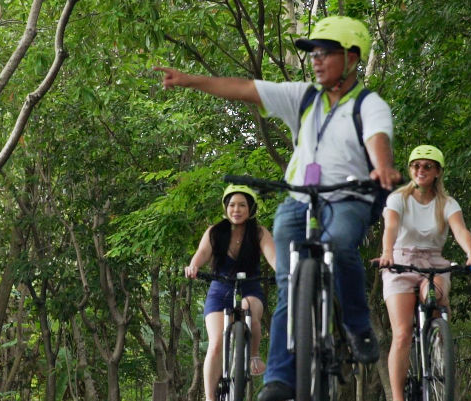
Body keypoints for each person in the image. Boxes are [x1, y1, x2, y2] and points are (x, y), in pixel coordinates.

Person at [159, 15, 401, 401]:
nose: (316, 60)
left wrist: (383, 167)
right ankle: (279, 379)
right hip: (298, 200)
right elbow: (243, 88)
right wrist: (191, 80)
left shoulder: (370, 105)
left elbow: (377, 138)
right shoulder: (303, 96)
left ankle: (357, 325)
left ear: (352, 58)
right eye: (313, 54)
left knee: (339, 243)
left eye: (326, 53)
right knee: (289, 285)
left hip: (349, 197)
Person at [373, 145, 471, 401]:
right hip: (400, 261)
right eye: (416, 166)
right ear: (410, 170)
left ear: (438, 172)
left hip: (433, 262)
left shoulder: (446, 203)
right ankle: (397, 397)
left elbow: (460, 230)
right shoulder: (398, 199)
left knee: (435, 299)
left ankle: (438, 345)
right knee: (402, 332)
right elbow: (390, 226)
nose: (421, 170)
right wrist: (387, 252)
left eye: (427, 166)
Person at [185, 184, 276, 401]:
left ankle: (253, 355)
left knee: (249, 309)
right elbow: (201, 254)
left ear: (251, 208)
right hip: (220, 287)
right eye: (232, 205)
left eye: (242, 205)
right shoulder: (215, 231)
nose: (236, 210)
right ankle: (209, 398)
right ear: (226, 208)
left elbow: (275, 259)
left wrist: (285, 273)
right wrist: (193, 267)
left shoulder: (259, 232)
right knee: (216, 343)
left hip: (250, 286)